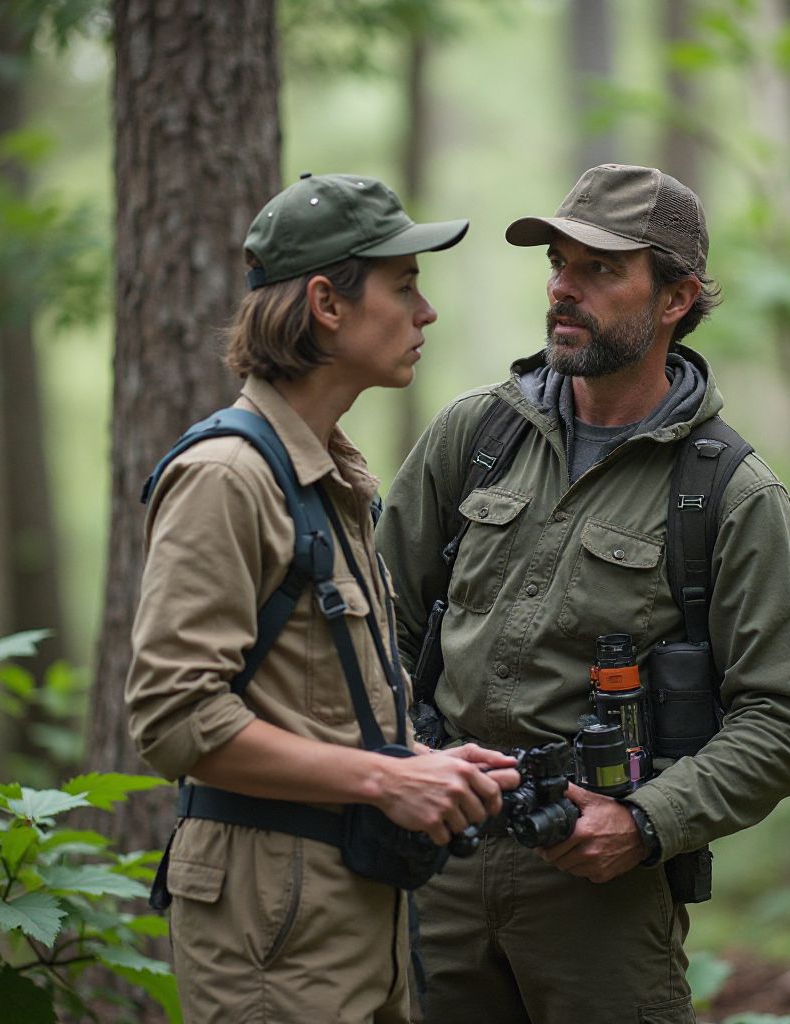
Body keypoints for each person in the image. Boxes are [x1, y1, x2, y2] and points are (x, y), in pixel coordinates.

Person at [375, 163, 790, 1024]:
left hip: (598, 893)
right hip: (433, 859)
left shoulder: (730, 494)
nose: (562, 289)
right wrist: (409, 762)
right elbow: (377, 626)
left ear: (674, 298)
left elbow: (787, 721)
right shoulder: (475, 434)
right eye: (558, 262)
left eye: (600, 269)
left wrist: (647, 821)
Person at [125, 172, 519, 1024]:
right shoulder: (228, 478)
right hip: (268, 928)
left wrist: (421, 766)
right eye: (404, 287)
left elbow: (311, 707)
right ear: (326, 304)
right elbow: (172, 719)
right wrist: (383, 780)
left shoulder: (331, 478)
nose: (426, 314)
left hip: (349, 915)